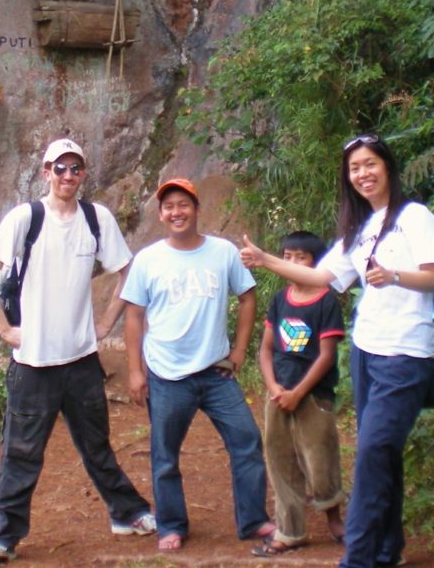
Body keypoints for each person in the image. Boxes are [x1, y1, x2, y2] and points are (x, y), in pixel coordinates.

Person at [240, 133, 434, 567]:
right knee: (381, 453)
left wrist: (395, 276)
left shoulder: (415, 216)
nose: (363, 174)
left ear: (387, 166)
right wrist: (266, 258)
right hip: (368, 351)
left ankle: (359, 559)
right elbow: (320, 276)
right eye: (354, 168)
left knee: (372, 453)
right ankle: (386, 551)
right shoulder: (361, 229)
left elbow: (431, 274)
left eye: (370, 164)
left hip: (406, 352)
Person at [0, 138, 155, 566]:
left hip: (81, 361)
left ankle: (126, 513)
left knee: (97, 445)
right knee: (21, 452)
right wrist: (4, 329)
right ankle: (2, 537)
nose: (68, 176)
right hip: (32, 364)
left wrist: (105, 323)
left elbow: (129, 272)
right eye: (60, 168)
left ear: (83, 174)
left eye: (75, 169)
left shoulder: (97, 218)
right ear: (45, 172)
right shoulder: (26, 218)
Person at [120, 177, 275, 552]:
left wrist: (238, 352)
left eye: (184, 205)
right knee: (165, 455)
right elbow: (134, 317)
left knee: (247, 442)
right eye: (169, 206)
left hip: (216, 372)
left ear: (197, 209)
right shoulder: (148, 260)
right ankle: (172, 525)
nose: (177, 212)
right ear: (160, 215)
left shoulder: (222, 253)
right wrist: (136, 371)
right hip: (167, 375)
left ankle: (253, 519)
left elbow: (248, 297)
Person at [252, 231, 347, 558]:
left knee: (320, 459)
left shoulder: (325, 301)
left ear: (315, 263)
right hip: (277, 396)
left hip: (313, 396)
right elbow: (265, 350)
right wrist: (275, 387)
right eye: (287, 256)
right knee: (280, 460)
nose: (291, 263)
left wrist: (298, 392)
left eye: (300, 258)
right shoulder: (280, 300)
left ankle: (335, 520)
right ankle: (289, 531)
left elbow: (326, 356)